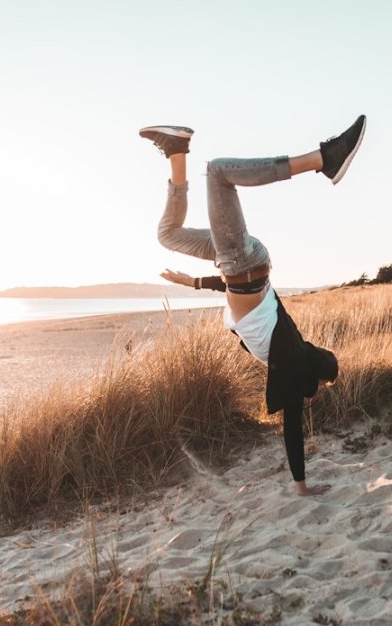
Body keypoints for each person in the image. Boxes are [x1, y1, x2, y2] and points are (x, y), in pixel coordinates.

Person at [141, 116, 367, 497]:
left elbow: (239, 296)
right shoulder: (292, 360)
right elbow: (292, 429)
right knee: (218, 172)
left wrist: (192, 282)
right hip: (242, 263)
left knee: (169, 236)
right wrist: (302, 486)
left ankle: (177, 153)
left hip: (238, 266)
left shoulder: (288, 340)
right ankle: (324, 159)